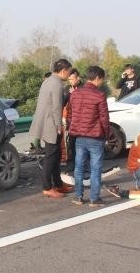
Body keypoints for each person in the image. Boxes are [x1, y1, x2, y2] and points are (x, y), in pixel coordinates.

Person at [68, 65, 110, 207]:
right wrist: (107, 135)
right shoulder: (99, 95)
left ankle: (78, 197)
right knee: (95, 168)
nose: (101, 83)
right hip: (95, 136)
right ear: (97, 78)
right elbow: (104, 118)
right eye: (101, 80)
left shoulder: (75, 94)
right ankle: (94, 198)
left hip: (79, 136)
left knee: (79, 167)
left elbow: (71, 115)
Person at [30, 59, 73, 198]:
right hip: (51, 123)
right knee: (51, 156)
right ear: (63, 71)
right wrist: (59, 126)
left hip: (46, 121)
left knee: (56, 155)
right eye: (69, 71)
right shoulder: (57, 84)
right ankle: (47, 187)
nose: (69, 74)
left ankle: (58, 184)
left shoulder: (48, 80)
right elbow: (56, 107)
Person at [62, 69, 83, 171]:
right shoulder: (67, 88)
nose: (70, 81)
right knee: (72, 143)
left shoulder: (84, 88)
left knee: (83, 143)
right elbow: (62, 103)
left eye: (72, 79)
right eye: (69, 79)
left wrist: (75, 93)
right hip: (71, 119)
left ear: (78, 78)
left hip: (82, 120)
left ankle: (84, 164)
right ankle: (74, 163)